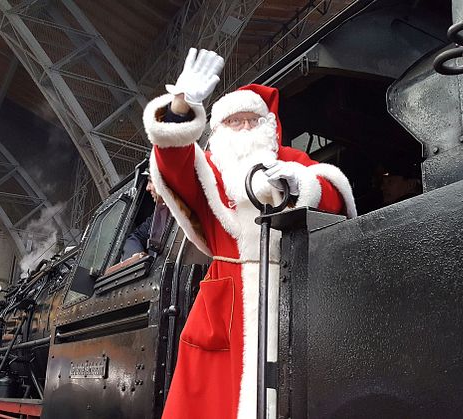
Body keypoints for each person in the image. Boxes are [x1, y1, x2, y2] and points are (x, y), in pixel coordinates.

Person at [143, 48, 356, 419]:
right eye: (233, 122)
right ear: (217, 130)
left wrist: (303, 186)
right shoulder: (210, 169)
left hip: (295, 290)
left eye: (250, 121)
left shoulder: (291, 159)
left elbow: (335, 195)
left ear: (268, 127)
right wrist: (179, 108)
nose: (243, 130)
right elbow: (173, 163)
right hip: (226, 305)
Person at [121, 176, 170, 261]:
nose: (147, 188)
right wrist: (136, 255)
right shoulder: (156, 217)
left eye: (151, 181)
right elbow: (135, 237)